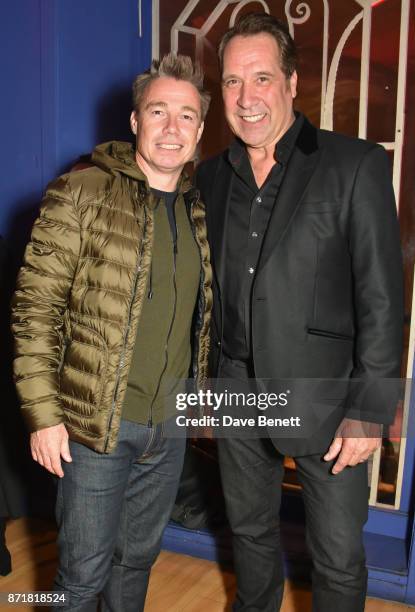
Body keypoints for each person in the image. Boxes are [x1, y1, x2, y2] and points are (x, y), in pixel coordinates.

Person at [195, 13, 403, 612]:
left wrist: (368, 412)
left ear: (291, 83)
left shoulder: (354, 165)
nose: (246, 96)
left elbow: (382, 299)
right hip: (235, 385)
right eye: (232, 82)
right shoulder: (211, 177)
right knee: (250, 532)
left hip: (327, 394)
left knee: (338, 557)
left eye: (261, 78)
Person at [11, 53, 212, 611]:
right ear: (134, 121)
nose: (172, 129)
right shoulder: (81, 191)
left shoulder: (198, 210)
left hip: (166, 429)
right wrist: (44, 417)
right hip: (94, 425)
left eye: (187, 117)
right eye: (158, 112)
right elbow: (35, 309)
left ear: (200, 130)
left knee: (135, 566)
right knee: (80, 578)